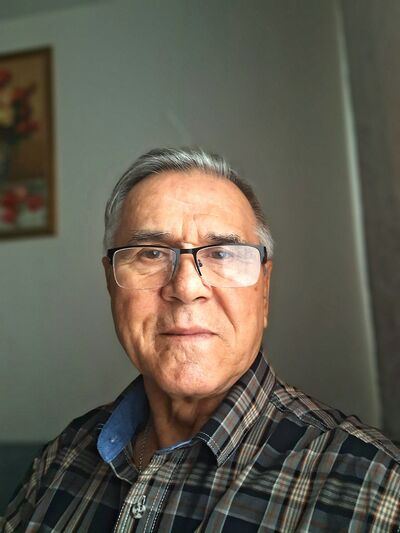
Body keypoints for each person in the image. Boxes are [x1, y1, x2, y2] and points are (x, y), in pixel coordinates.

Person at [2, 147, 400, 532]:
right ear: (111, 283)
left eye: (222, 254)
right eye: (151, 254)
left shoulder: (378, 487)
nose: (186, 287)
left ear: (264, 291)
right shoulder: (60, 459)